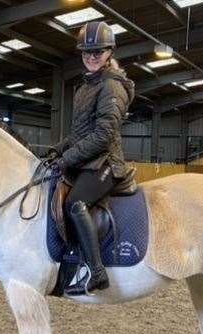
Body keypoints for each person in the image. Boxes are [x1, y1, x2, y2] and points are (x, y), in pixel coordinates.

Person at [47, 21, 135, 295]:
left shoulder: (112, 86)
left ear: (109, 52)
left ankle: (96, 272)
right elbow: (79, 134)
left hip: (107, 163)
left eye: (98, 51)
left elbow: (103, 136)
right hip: (87, 161)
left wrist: (67, 160)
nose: (92, 56)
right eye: (87, 52)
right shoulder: (85, 87)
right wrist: (56, 151)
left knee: (75, 203)